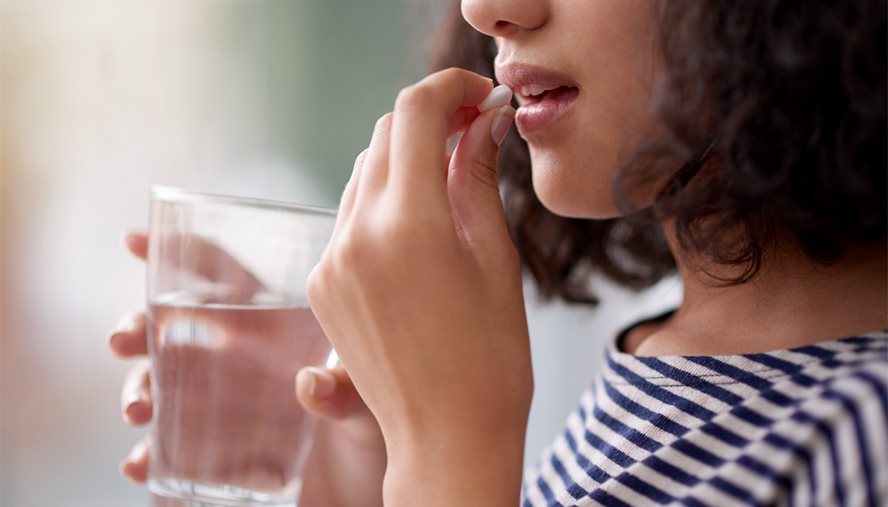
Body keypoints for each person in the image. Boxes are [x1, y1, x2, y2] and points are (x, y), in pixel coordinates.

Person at [110, 0, 887, 505]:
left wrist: (447, 452)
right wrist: (370, 470)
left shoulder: (864, 436)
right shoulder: (657, 371)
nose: (486, 9)